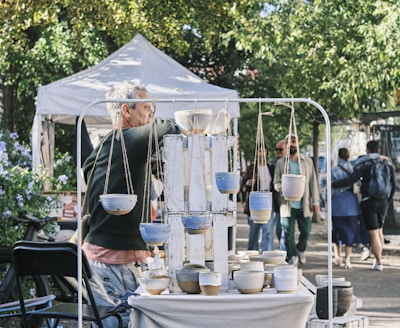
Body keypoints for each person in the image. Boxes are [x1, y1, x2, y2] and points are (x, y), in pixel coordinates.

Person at [82, 80, 179, 327]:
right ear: (126, 111)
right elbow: (167, 127)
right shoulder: (127, 140)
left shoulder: (105, 145)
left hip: (105, 259)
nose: (151, 114)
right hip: (112, 264)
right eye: (146, 108)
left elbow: (87, 171)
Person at [332, 140, 396, 271]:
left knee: (373, 233)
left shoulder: (365, 164)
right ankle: (378, 259)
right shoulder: (386, 163)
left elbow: (351, 179)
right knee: (379, 231)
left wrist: (333, 184)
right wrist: (387, 199)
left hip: (368, 201)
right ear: (378, 149)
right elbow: (393, 185)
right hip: (383, 201)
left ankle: (379, 262)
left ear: (367, 150)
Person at [273, 134, 320, 265]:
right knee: (288, 232)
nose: (292, 144)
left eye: (294, 141)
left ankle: (300, 250)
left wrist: (316, 202)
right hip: (287, 204)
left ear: (298, 144)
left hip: (303, 204)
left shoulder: (307, 162)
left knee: (306, 231)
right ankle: (292, 255)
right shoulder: (281, 163)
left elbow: (313, 183)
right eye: (289, 142)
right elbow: (276, 182)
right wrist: (284, 189)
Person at [331, 148, 366, 269]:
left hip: (336, 205)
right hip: (352, 206)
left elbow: (327, 188)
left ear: (338, 156)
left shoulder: (333, 171)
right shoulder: (353, 170)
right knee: (350, 232)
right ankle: (348, 259)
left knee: (337, 232)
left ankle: (337, 257)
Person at [242, 145, 274, 252]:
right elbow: (243, 184)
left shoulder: (270, 167)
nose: (261, 153)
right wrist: (247, 183)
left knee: (268, 230)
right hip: (255, 200)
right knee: (254, 230)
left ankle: (267, 253)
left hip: (268, 199)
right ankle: (252, 253)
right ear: (256, 153)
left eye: (264, 151)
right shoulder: (251, 168)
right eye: (259, 151)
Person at [269, 139, 287, 251]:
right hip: (276, 201)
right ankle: (285, 252)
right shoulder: (273, 163)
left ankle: (288, 252)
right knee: (279, 229)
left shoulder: (292, 162)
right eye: (276, 149)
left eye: (280, 149)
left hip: (289, 201)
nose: (278, 152)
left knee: (285, 229)